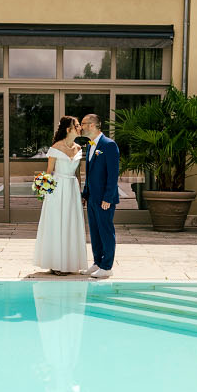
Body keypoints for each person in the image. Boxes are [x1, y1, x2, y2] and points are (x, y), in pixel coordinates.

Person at [33, 115, 88, 274]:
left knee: (71, 223)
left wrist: (81, 193)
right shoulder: (55, 148)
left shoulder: (79, 148)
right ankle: (56, 263)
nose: (79, 127)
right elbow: (49, 172)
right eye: (77, 125)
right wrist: (43, 192)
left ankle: (69, 263)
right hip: (57, 189)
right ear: (68, 129)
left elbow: (77, 173)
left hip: (72, 188)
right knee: (57, 223)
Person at [80, 112, 119, 278]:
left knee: (105, 231)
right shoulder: (90, 145)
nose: (80, 127)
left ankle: (107, 266)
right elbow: (89, 174)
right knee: (95, 232)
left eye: (83, 124)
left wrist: (107, 198)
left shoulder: (109, 145)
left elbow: (113, 174)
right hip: (92, 198)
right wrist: (85, 194)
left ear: (91, 125)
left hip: (104, 199)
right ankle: (97, 262)